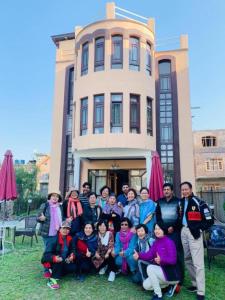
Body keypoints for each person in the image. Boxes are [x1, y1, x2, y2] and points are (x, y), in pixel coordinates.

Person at [180, 181, 214, 300]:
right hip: (183, 232)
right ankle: (195, 284)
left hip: (194, 233)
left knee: (198, 263)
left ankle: (201, 291)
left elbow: (209, 220)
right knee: (187, 259)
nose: (184, 191)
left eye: (186, 189)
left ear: (190, 189)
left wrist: (199, 228)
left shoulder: (199, 202)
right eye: (182, 190)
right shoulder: (181, 202)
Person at [133, 223, 180, 300]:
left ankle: (158, 295)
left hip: (171, 272)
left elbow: (173, 260)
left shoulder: (169, 242)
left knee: (150, 268)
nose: (156, 231)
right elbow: (148, 255)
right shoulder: (156, 242)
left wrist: (162, 259)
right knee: (146, 285)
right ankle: (168, 286)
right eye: (155, 229)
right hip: (162, 273)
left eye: (159, 229)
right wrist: (139, 255)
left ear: (163, 230)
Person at [156, 183, 184, 285]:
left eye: (168, 189)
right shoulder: (160, 202)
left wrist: (173, 227)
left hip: (175, 232)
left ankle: (179, 278)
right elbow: (158, 217)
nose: (166, 191)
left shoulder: (178, 201)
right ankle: (167, 275)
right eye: (164, 189)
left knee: (176, 254)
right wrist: (164, 228)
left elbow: (180, 217)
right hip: (164, 233)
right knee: (164, 254)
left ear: (172, 191)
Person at [41, 221, 76, 289]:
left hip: (64, 261)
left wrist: (72, 255)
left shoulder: (69, 238)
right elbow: (45, 256)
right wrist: (54, 258)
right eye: (63, 228)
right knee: (59, 262)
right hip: (55, 262)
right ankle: (51, 280)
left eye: (67, 228)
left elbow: (73, 249)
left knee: (73, 267)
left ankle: (57, 272)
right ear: (59, 229)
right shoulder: (53, 239)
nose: (65, 230)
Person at [37, 191, 63, 278]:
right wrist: (42, 218)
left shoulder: (60, 207)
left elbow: (62, 219)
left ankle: (51, 266)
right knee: (47, 251)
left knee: (53, 251)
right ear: (50, 197)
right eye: (53, 196)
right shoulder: (45, 205)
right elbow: (38, 217)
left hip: (57, 232)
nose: (55, 198)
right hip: (47, 233)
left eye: (57, 196)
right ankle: (46, 270)